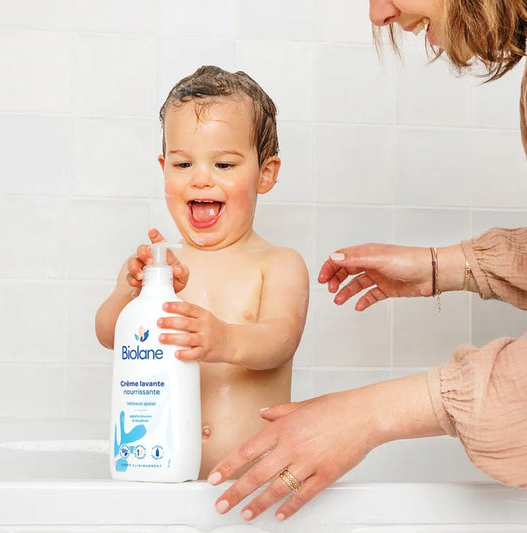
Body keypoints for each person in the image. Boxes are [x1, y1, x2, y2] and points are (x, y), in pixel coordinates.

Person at [205, 0, 527, 523]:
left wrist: (367, 415)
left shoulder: (278, 265)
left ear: (266, 173)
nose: (377, 14)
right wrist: (449, 265)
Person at [95, 65, 309, 480]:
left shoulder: (277, 263)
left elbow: (280, 340)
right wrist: (129, 293)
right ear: (163, 168)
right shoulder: (160, 268)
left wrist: (223, 339)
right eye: (182, 164)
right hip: (166, 475)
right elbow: (108, 335)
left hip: (249, 481)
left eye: (224, 164)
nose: (200, 179)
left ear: (265, 173)